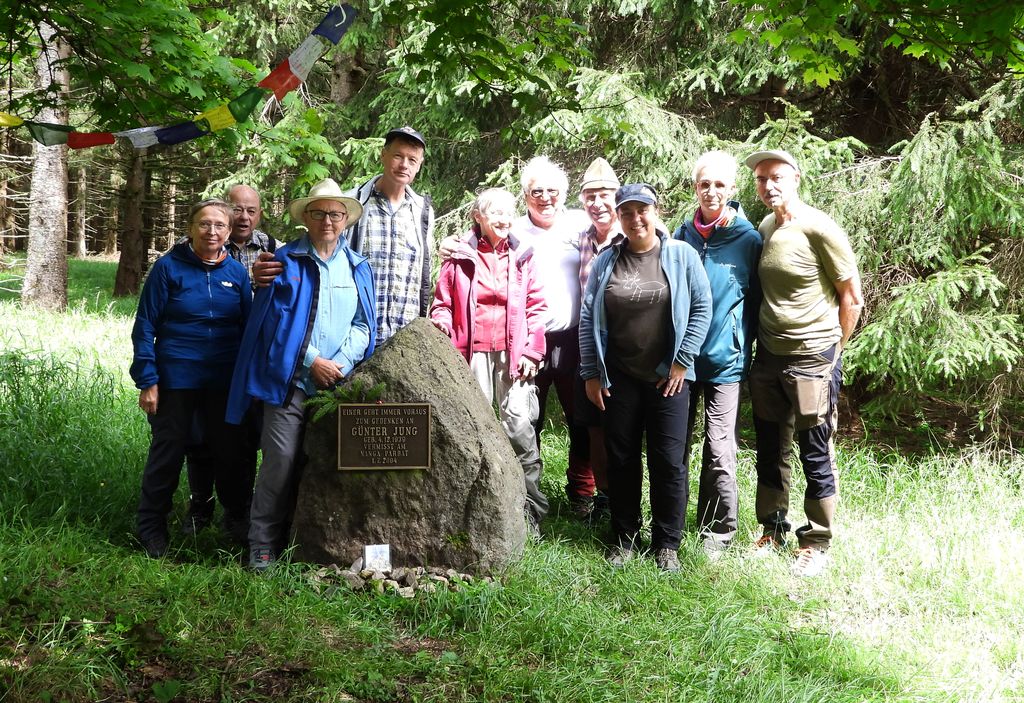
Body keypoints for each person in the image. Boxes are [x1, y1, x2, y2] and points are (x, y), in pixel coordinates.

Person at [226, 178, 376, 572]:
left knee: (330, 462)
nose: (328, 221)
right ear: (305, 217)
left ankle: (313, 542)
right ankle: (262, 543)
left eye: (335, 214)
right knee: (280, 460)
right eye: (319, 213)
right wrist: (313, 362)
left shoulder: (357, 266)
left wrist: (340, 362)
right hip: (288, 382)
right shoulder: (283, 262)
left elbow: (364, 325)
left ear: (346, 220)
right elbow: (271, 324)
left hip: (337, 383)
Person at [579, 184, 712, 572]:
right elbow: (588, 318)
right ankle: (625, 537)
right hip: (619, 377)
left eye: (642, 210)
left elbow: (702, 307)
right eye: (627, 212)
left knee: (668, 461)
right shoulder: (607, 261)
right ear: (618, 217)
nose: (635, 219)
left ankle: (667, 543)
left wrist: (681, 361)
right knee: (621, 459)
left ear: (656, 211)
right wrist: (591, 372)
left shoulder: (681, 255)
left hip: (668, 378)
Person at [745, 149, 863, 578]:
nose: (768, 185)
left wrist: (834, 351)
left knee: (814, 448)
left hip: (814, 356)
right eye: (761, 179)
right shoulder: (766, 226)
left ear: (795, 178)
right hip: (769, 356)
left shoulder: (820, 227)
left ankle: (816, 541)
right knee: (770, 445)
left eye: (776, 177)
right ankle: (772, 529)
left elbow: (852, 296)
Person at [130, 199, 252, 558]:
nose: (212, 231)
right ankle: (151, 527)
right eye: (204, 224)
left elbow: (248, 328)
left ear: (228, 232)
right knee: (167, 453)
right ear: (190, 228)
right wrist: (148, 380)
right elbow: (145, 326)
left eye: (219, 225)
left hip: (224, 381)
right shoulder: (168, 268)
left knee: (231, 452)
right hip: (176, 379)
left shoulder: (237, 273)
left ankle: (236, 518)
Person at [429, 188, 549, 532]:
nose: (504, 219)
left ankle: (530, 513)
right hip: (471, 355)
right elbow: (442, 304)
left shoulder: (523, 255)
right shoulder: (459, 256)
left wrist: (533, 351)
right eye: (496, 212)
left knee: (520, 430)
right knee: (472, 431)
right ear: (478, 217)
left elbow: (537, 308)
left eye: (508, 212)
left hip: (515, 356)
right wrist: (442, 323)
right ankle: (474, 512)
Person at [251, 127, 433, 343]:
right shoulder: (350, 204)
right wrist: (275, 267)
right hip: (356, 337)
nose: (404, 165)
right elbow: (317, 252)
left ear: (419, 165)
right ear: (383, 155)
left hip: (406, 337)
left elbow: (422, 274)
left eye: (412, 160)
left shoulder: (423, 212)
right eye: (398, 156)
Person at [673, 151, 762, 559]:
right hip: (682, 362)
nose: (711, 191)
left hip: (726, 360)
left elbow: (757, 302)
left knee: (720, 449)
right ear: (695, 187)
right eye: (704, 184)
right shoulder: (681, 235)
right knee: (675, 446)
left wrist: (744, 345)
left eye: (720, 184)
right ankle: (671, 524)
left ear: (732, 189)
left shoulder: (748, 240)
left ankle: (717, 533)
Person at [183, 184, 277, 540]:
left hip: (251, 359)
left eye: (251, 210)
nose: (244, 217)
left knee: (243, 438)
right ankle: (200, 504)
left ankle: (239, 509)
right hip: (208, 357)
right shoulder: (199, 245)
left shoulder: (272, 249)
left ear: (260, 214)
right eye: (237, 209)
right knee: (199, 435)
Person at [574, 157, 625, 523]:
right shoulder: (583, 238)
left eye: (604, 195)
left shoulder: (638, 232)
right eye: (590, 196)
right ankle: (605, 499)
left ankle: (628, 501)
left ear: (617, 197)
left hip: (627, 350)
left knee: (624, 430)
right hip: (591, 350)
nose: (597, 203)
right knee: (595, 427)